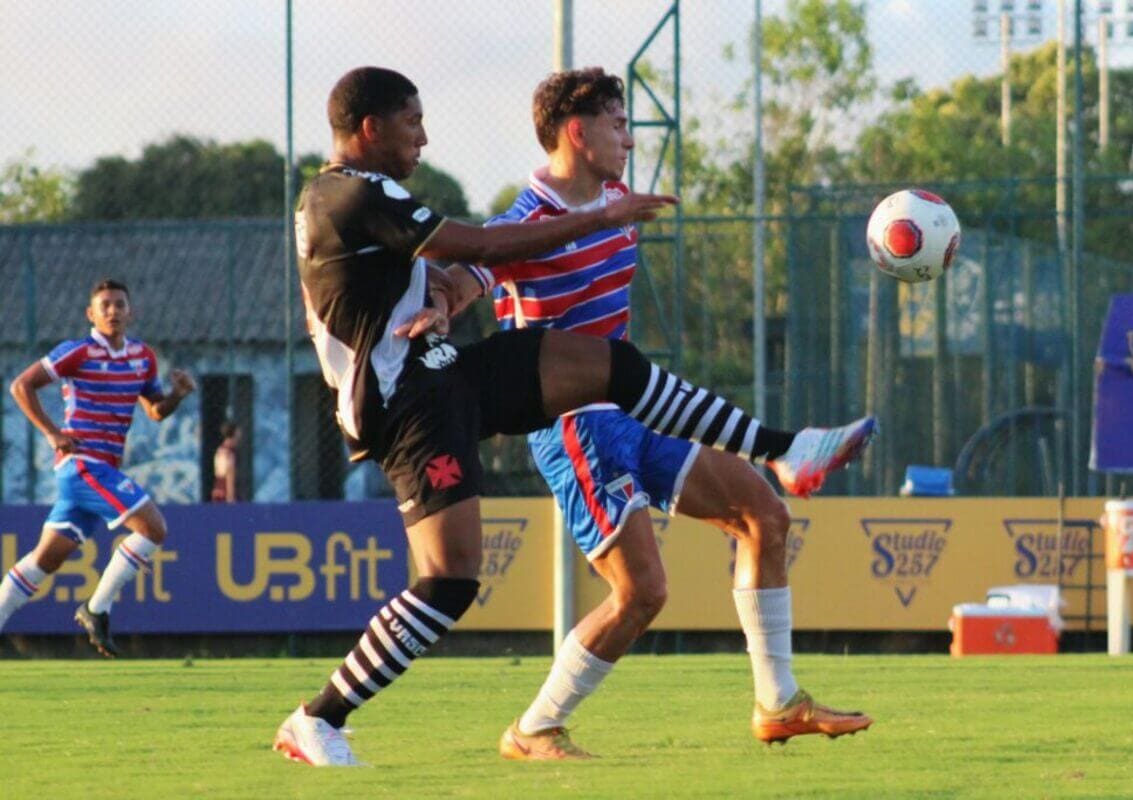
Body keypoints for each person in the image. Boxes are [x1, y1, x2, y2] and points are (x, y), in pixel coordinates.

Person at [273, 66, 874, 767]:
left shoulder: (374, 193)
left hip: (461, 380)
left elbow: (436, 272)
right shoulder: (360, 192)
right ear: (576, 132)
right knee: (467, 579)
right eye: (412, 123)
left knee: (735, 488)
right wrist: (470, 287)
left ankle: (784, 461)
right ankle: (328, 717)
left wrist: (436, 303)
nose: (425, 138)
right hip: (438, 408)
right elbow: (479, 254)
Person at [0, 278, 195, 657]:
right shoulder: (78, 352)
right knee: (154, 528)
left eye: (119, 304)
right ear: (91, 314)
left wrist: (177, 395)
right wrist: (53, 433)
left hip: (101, 469)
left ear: (130, 312)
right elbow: (21, 386)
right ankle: (96, 608)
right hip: (82, 464)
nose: (112, 311)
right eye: (104, 305)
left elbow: (154, 411)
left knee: (46, 559)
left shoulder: (142, 357)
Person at [210, 420, 241, 502]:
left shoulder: (220, 450)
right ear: (235, 433)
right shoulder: (229, 452)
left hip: (218, 490)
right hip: (225, 493)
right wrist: (230, 496)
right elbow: (229, 473)